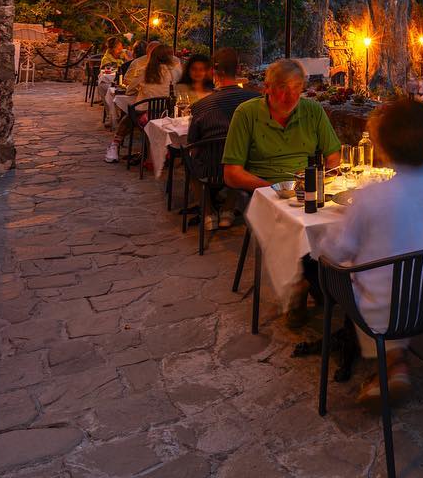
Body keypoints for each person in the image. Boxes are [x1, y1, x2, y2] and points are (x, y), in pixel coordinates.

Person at [317, 96, 423, 404]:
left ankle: (391, 361)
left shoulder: (371, 196)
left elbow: (338, 249)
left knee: (339, 273)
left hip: (390, 310)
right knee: (387, 267)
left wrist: (322, 242)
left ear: (383, 143)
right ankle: (395, 362)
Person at [223, 58, 341, 324]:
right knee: (297, 224)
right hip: (263, 191)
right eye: (282, 88)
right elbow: (231, 173)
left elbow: (334, 156)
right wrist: (274, 190)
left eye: (296, 87)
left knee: (340, 221)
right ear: (267, 87)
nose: (289, 95)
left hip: (310, 189)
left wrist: (324, 179)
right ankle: (306, 285)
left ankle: (328, 287)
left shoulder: (312, 111)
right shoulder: (247, 113)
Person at [187, 48, 261, 228]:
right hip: (244, 168)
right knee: (240, 156)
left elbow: (193, 144)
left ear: (213, 72)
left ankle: (208, 213)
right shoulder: (256, 100)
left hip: (210, 170)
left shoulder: (200, 106)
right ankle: (228, 209)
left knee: (190, 161)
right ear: (238, 70)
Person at [104, 44, 177, 164]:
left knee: (129, 116)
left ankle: (115, 145)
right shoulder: (174, 73)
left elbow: (129, 91)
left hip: (146, 118)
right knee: (135, 113)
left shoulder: (145, 71)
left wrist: (142, 89)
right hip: (167, 116)